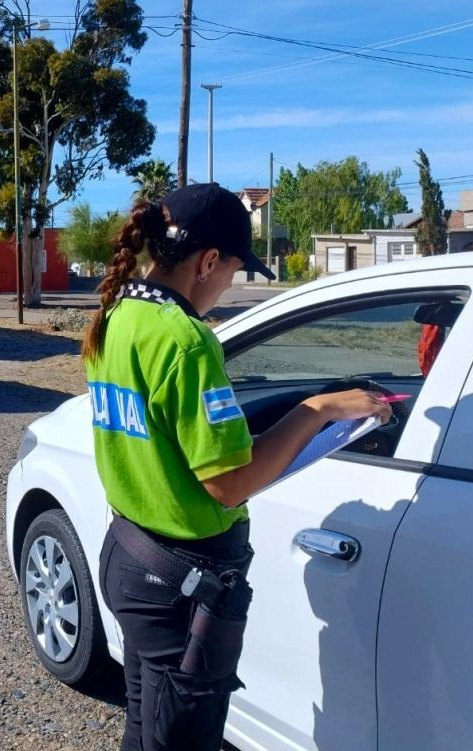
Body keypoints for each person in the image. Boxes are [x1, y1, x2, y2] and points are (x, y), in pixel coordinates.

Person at [82, 183, 391, 751]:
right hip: (182, 585)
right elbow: (227, 484)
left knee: (144, 725)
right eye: (232, 271)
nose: (228, 288)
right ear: (206, 262)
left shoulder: (118, 314)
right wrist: (316, 409)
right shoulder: (186, 341)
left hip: (130, 557)